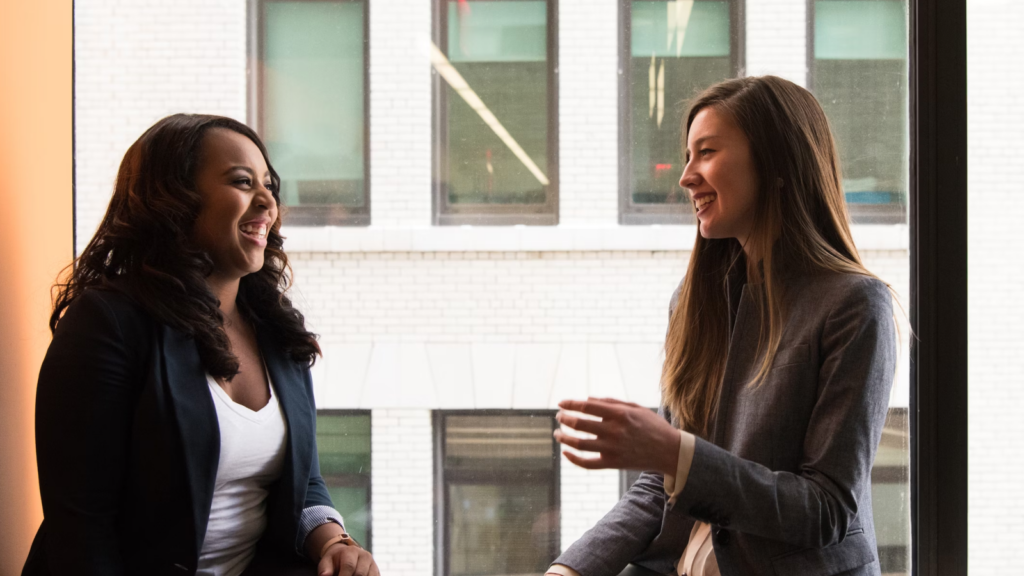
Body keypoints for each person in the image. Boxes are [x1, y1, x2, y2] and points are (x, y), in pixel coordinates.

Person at [549, 76, 898, 576]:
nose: (686, 176)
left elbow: (826, 509)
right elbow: (658, 488)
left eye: (706, 152)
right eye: (688, 156)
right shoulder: (695, 303)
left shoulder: (855, 305)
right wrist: (570, 570)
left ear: (778, 163)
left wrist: (676, 452)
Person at [23, 114, 380, 576]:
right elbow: (83, 529)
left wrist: (335, 540)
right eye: (242, 181)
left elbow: (303, 481)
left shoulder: (275, 331)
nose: (268, 201)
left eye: (269, 184)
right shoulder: (108, 324)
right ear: (174, 201)